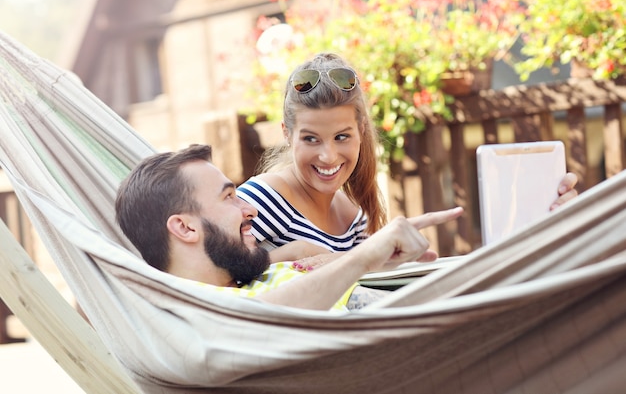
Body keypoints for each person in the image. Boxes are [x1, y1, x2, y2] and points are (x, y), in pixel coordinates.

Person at [237, 52, 579, 268]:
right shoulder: (261, 200)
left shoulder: (352, 214)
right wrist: (292, 254)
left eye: (342, 137)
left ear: (361, 131)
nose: (328, 156)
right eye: (311, 139)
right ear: (286, 133)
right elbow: (208, 284)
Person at [114, 144, 464, 311]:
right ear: (185, 229)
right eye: (230, 198)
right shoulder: (188, 312)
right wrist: (364, 258)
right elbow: (263, 320)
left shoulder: (248, 276)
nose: (249, 208)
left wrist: (376, 258)